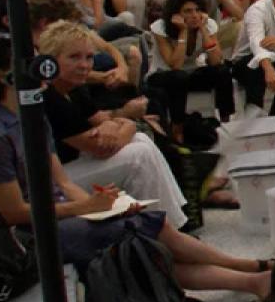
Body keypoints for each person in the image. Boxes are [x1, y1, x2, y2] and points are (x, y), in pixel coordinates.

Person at [0, 31, 275, 301]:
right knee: (147, 232)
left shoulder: (29, 117)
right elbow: (13, 213)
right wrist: (86, 207)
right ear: (3, 75)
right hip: (21, 241)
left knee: (147, 225)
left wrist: (102, 206)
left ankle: (256, 277)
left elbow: (61, 181)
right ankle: (252, 271)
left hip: (54, 215)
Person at [36, 22, 200, 218]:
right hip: (54, 184)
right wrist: (125, 125)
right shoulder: (50, 98)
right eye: (74, 57)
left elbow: (103, 119)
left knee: (141, 140)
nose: (84, 65)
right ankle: (166, 226)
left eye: (89, 57)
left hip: (75, 165)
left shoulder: (73, 88)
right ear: (51, 61)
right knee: (139, 154)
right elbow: (100, 148)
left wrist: (122, 125)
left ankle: (172, 221)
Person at [147, 0, 237, 121]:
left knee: (222, 71)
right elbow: (175, 65)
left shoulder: (208, 25)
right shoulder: (160, 28)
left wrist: (203, 29)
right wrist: (183, 31)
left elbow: (216, 61)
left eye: (197, 10)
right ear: (176, 14)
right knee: (179, 76)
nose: (195, 15)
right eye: (188, 11)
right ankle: (178, 126)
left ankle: (226, 119)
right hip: (163, 75)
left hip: (190, 73)